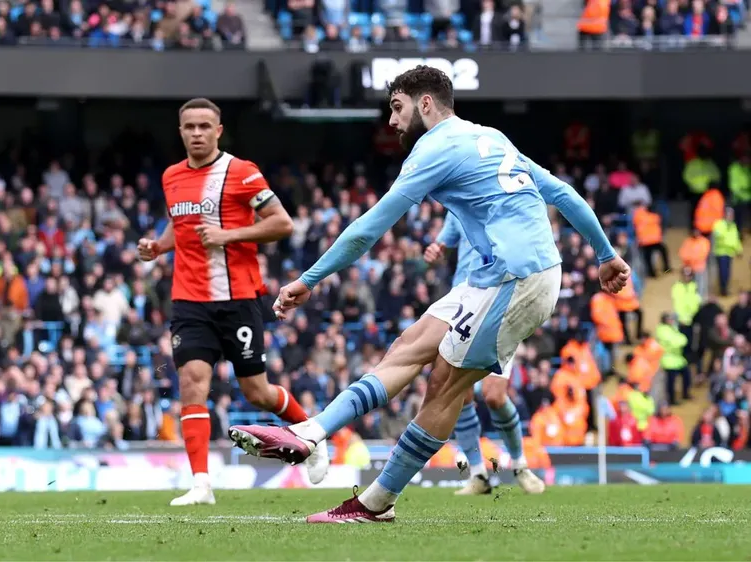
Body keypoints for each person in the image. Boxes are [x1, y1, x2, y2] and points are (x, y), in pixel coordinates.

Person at [228, 66, 628, 523]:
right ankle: (311, 431)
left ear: (424, 104)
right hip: (490, 277)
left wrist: (308, 279)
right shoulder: (491, 137)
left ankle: (375, 503)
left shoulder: (433, 148)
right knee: (408, 348)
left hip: (520, 278)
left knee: (445, 386)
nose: (392, 122)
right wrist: (605, 254)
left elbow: (369, 228)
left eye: (397, 109)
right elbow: (563, 193)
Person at [137, 98, 329, 507]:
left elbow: (282, 223)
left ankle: (313, 431)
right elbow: (180, 224)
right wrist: (158, 246)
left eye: (205, 126)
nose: (197, 133)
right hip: (189, 299)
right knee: (191, 382)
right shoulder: (172, 176)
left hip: (238, 297)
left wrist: (227, 236)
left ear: (219, 130)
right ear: (181, 131)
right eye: (189, 126)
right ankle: (201, 484)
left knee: (257, 391)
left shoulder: (241, 173)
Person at [427, 212, 545, 495]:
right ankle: (478, 474)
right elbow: (444, 243)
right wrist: (437, 250)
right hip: (463, 303)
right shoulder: (456, 205)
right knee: (459, 393)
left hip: (500, 304)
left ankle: (520, 465)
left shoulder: (507, 202)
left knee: (494, 395)